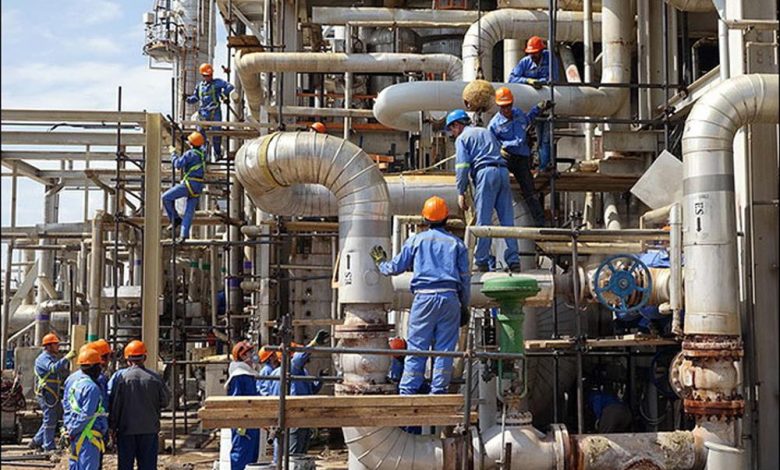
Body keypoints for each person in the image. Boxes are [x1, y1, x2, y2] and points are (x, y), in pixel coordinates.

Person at [370, 196, 470, 399]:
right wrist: (464, 305)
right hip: (450, 298)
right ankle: (439, 391)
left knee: (417, 346)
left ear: (425, 218)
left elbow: (395, 268)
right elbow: (465, 279)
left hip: (424, 299)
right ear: (446, 218)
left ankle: (408, 391)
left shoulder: (416, 240)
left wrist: (381, 263)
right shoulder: (457, 244)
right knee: (445, 349)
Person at [447, 109, 521, 272]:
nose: (452, 133)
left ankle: (481, 260)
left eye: (452, 129)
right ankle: (514, 260)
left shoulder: (462, 138)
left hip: (486, 174)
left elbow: (462, 167)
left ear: (457, 125)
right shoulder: (486, 132)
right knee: (507, 220)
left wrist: (461, 191)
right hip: (503, 172)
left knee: (483, 219)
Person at [488, 87, 550, 227]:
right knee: (500, 186)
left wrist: (539, 108)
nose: (506, 109)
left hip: (522, 158)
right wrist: (498, 152)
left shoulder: (519, 114)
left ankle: (540, 224)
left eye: (508, 105)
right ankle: (498, 222)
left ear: (512, 103)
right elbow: (490, 144)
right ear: (498, 106)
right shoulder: (494, 124)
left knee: (530, 191)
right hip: (506, 157)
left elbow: (529, 119)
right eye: (503, 106)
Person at [108, 340, 170, 470]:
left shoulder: (121, 379)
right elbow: (165, 401)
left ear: (127, 360)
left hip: (126, 431)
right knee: (148, 466)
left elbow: (115, 405)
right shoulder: (155, 378)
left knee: (125, 466)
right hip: (149, 430)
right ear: (144, 358)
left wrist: (112, 427)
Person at [268, 330, 329, 461]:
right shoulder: (288, 368)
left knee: (300, 454)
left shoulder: (301, 371)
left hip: (303, 416)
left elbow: (311, 390)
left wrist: (320, 379)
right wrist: (314, 343)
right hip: (291, 416)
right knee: (291, 455)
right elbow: (299, 358)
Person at [508, 36, 559, 172]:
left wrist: (543, 81)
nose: (532, 56)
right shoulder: (525, 62)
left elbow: (554, 78)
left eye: (535, 53)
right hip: (532, 108)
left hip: (548, 106)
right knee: (535, 137)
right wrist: (528, 81)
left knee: (546, 139)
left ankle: (543, 168)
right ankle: (537, 166)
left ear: (541, 51)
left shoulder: (550, 58)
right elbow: (511, 79)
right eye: (530, 53)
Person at [31, 332, 76, 451]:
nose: (58, 347)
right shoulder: (43, 358)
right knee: (49, 418)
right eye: (56, 344)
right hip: (46, 392)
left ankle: (36, 441)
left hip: (52, 392)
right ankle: (48, 446)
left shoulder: (52, 357)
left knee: (52, 418)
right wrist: (66, 358)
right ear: (48, 346)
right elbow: (53, 368)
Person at [63, 348, 108, 470]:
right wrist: (74, 429)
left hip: (76, 436)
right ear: (93, 367)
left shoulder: (73, 382)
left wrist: (69, 427)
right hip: (88, 437)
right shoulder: (92, 388)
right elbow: (87, 415)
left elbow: (66, 406)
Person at [162, 131, 208, 241]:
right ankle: (183, 235)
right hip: (198, 186)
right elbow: (200, 144)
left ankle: (175, 218)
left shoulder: (190, 154)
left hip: (189, 184)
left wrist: (173, 153)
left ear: (191, 143)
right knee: (189, 212)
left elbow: (178, 164)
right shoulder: (203, 154)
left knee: (166, 197)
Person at [186, 63, 235, 160]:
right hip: (203, 113)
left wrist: (223, 94)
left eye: (210, 75)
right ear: (202, 75)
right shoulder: (200, 86)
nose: (209, 77)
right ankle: (203, 155)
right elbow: (196, 97)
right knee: (200, 135)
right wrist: (188, 99)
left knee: (216, 134)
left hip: (214, 111)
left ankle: (217, 154)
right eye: (206, 75)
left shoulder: (217, 83)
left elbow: (230, 86)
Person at [226, 341, 261, 470]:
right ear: (242, 356)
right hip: (243, 423)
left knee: (251, 457)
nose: (253, 355)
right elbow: (237, 402)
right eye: (250, 352)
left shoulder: (248, 374)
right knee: (241, 454)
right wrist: (240, 423)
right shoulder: (239, 375)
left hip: (252, 421)